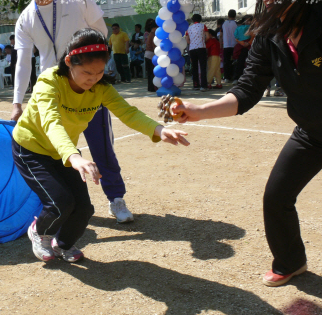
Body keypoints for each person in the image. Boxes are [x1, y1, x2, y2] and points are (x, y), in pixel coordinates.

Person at [172, 0, 322, 287]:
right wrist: (200, 112)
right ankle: (291, 262)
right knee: (277, 198)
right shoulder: (271, 33)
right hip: (313, 131)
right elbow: (248, 88)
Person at [12, 28, 190, 262]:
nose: (93, 78)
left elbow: (127, 112)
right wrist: (74, 156)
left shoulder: (100, 88)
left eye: (99, 72)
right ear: (69, 62)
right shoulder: (49, 82)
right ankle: (39, 232)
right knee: (60, 202)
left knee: (84, 208)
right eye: (87, 72)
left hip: (63, 152)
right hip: (31, 149)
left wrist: (159, 129)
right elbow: (51, 123)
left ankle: (63, 244)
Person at [11, 0, 136, 223]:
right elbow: (23, 61)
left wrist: (91, 71)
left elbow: (101, 34)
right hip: (54, 90)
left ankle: (116, 198)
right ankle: (57, 204)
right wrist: (17, 102)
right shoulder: (26, 18)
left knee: (102, 147)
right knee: (52, 150)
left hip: (87, 85)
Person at [185, 13, 208, 91]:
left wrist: (192, 42)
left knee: (194, 67)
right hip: (201, 47)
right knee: (203, 67)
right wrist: (203, 41)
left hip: (192, 49)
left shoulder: (189, 28)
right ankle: (203, 86)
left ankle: (195, 85)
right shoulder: (203, 26)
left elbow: (187, 40)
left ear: (193, 20)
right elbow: (207, 36)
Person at [232, 15, 253, 83]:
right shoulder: (240, 28)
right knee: (240, 62)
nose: (247, 22)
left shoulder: (254, 28)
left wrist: (248, 43)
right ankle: (238, 78)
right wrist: (243, 44)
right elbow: (236, 38)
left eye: (249, 20)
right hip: (243, 47)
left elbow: (254, 36)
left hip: (251, 46)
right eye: (246, 20)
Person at [222, 9, 237, 83]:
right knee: (235, 61)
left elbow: (221, 35)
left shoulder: (224, 24)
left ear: (228, 15)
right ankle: (235, 77)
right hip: (235, 45)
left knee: (226, 62)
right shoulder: (236, 24)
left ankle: (227, 77)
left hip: (226, 45)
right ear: (235, 15)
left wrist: (221, 44)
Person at [144, 19, 158, 92]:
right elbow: (154, 47)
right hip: (151, 55)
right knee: (152, 73)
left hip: (147, 55)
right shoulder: (153, 35)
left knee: (150, 73)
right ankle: (152, 88)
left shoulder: (150, 34)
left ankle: (150, 88)